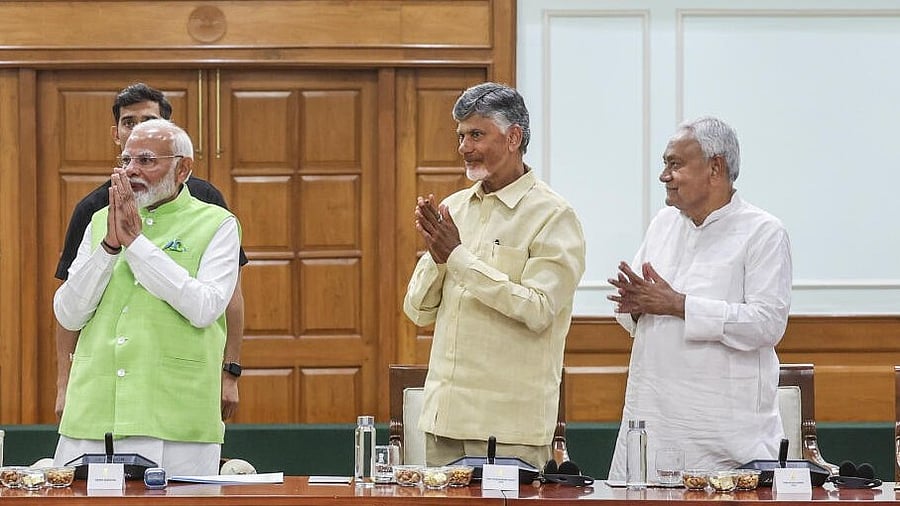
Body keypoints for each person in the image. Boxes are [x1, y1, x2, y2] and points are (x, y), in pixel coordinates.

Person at [403, 82, 586, 469]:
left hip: (509, 430)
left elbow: (539, 310)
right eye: (460, 136)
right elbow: (418, 311)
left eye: (476, 134)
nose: (464, 147)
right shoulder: (456, 208)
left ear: (513, 136)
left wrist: (457, 256)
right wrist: (439, 258)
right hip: (443, 423)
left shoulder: (553, 216)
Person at [606, 116, 791, 479]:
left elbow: (767, 324)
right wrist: (636, 308)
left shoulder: (763, 232)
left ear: (715, 167)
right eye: (664, 164)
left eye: (675, 164)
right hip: (654, 428)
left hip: (727, 440)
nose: (664, 175)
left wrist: (679, 304)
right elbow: (640, 310)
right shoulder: (663, 223)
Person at [53, 119, 241, 475]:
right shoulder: (98, 222)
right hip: (92, 412)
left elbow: (204, 308)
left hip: (175, 416)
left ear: (183, 167)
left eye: (146, 161)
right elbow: (68, 313)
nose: (131, 171)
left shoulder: (217, 223)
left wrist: (136, 245)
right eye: (126, 161)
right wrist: (109, 247)